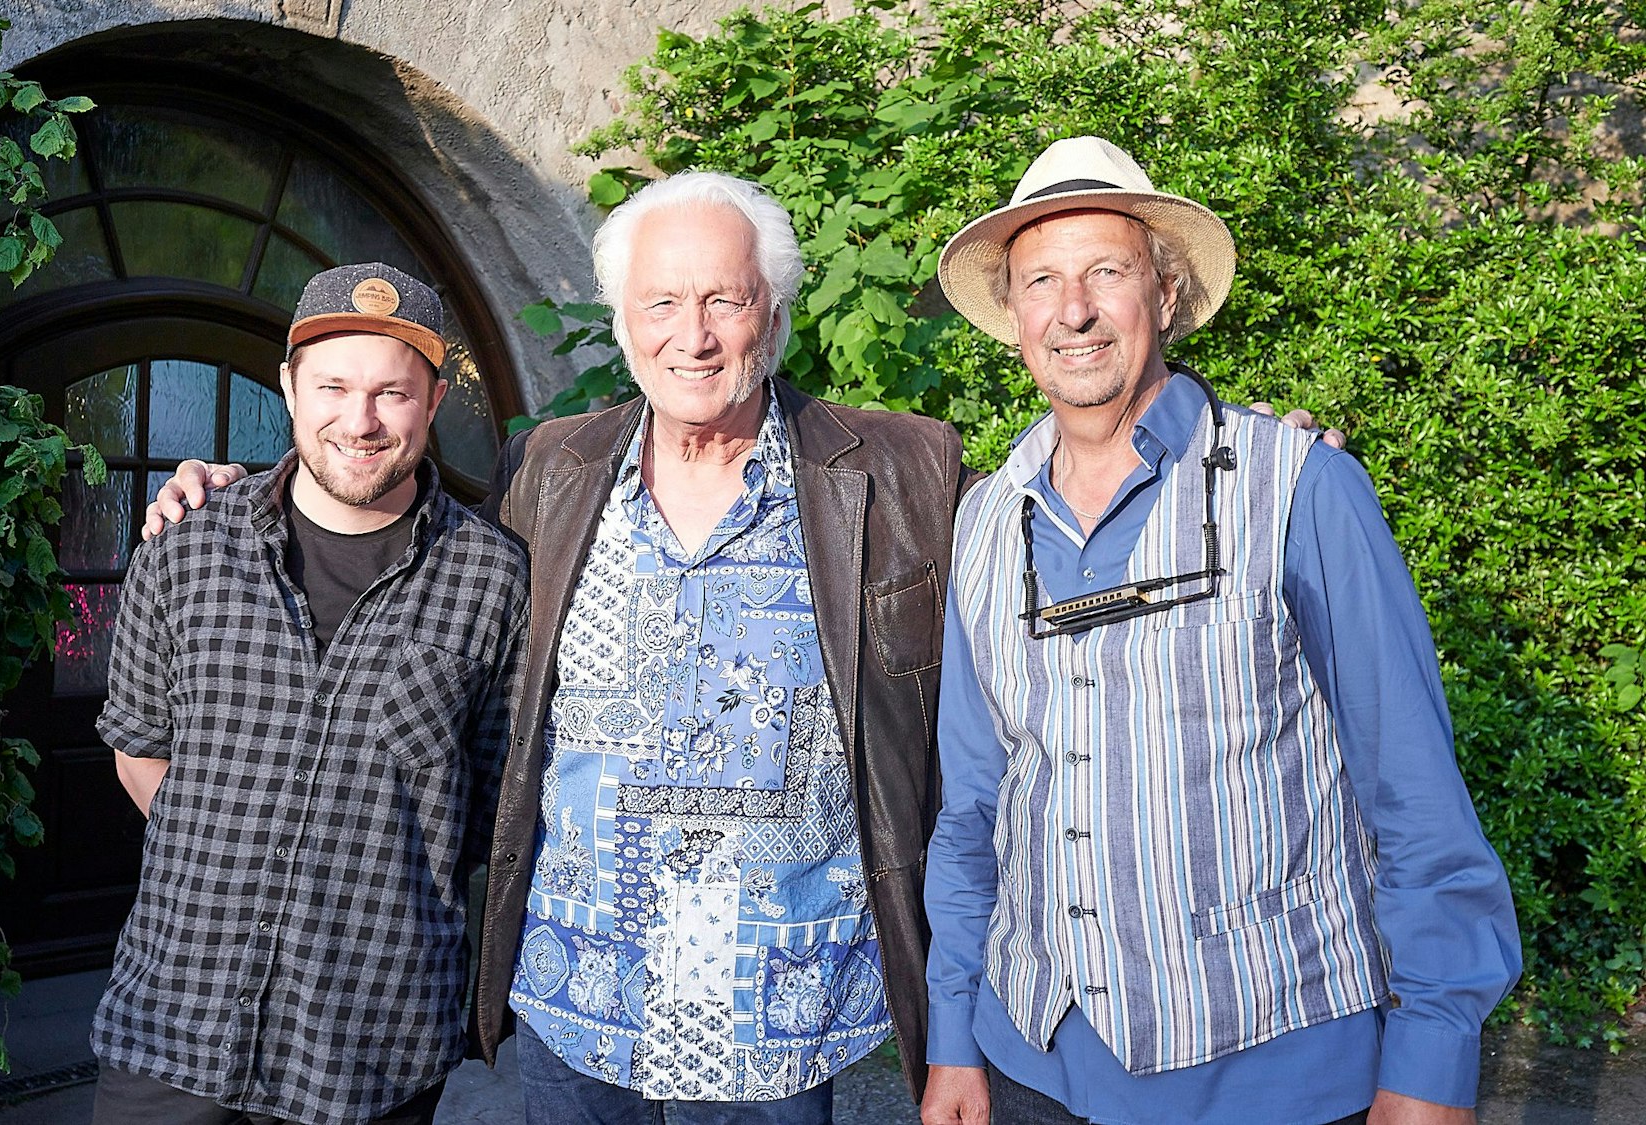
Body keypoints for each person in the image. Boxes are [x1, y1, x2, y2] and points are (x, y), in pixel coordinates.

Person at [142, 176, 1341, 1125]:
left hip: (783, 1005)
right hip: (577, 1001)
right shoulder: (552, 470)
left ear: (770, 311)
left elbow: (1062, 517)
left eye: (722, 300)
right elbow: (389, 511)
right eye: (661, 304)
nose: (694, 336)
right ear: (621, 324)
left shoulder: (898, 472)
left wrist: (1208, 452)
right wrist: (235, 491)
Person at [919, 136, 1520, 1125]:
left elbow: (1410, 795)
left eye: (1104, 273)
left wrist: (1431, 1058)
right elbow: (973, 806)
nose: (1071, 310)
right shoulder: (985, 520)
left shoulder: (1302, 489)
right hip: (1031, 1067)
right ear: (1014, 317)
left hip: (1271, 1078)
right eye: (1040, 282)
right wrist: (952, 1035)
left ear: (1161, 296)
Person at [90, 262, 527, 1125]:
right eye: (332, 385)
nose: (359, 421)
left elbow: (488, 810)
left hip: (367, 1045)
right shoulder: (185, 546)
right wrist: (231, 847)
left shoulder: (495, 579)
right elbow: (139, 748)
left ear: (434, 400)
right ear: (288, 386)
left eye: (392, 394)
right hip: (175, 1019)